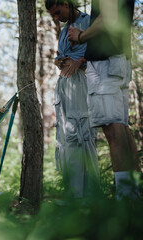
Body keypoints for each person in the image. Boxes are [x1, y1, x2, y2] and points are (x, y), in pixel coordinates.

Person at [68, 0, 140, 200]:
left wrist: (81, 36)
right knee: (121, 127)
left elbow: (109, 18)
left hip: (105, 63)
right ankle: (133, 192)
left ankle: (126, 197)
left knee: (112, 128)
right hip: (118, 60)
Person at [45, 0, 99, 198]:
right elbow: (63, 55)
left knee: (83, 135)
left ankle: (91, 195)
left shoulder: (88, 23)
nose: (57, 18)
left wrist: (82, 61)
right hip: (64, 87)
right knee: (68, 140)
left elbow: (101, 51)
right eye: (54, 16)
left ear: (66, 3)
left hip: (82, 85)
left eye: (58, 12)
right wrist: (59, 61)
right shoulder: (64, 31)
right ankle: (74, 196)